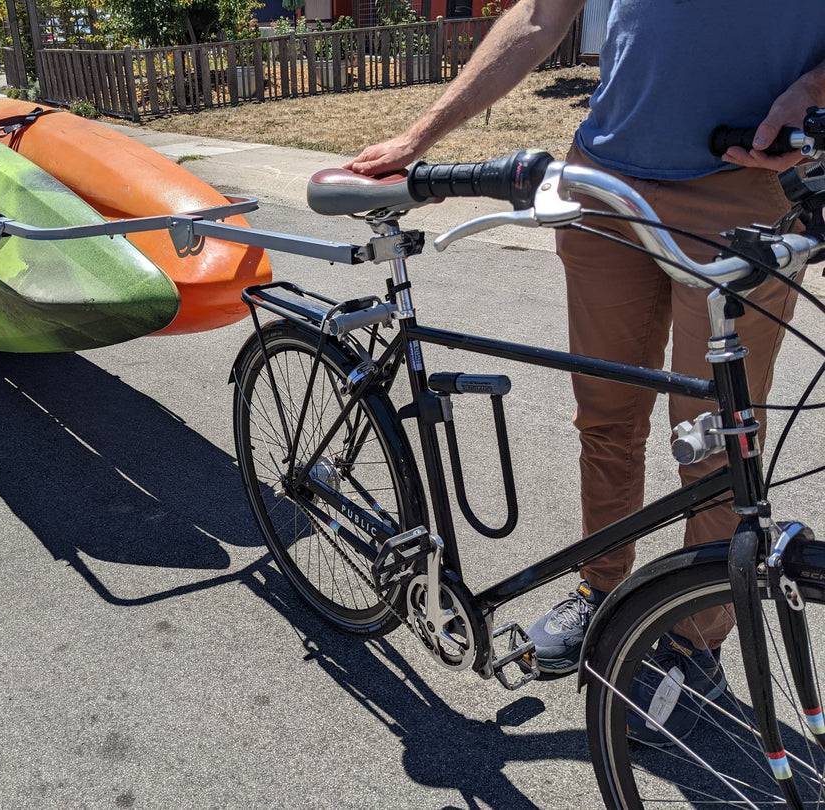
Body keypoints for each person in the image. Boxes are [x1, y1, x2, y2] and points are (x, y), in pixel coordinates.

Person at [345, 0, 825, 741]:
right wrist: (420, 137)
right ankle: (601, 591)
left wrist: (815, 88)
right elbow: (539, 16)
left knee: (718, 442)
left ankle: (692, 645)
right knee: (607, 419)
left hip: (741, 182)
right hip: (603, 179)